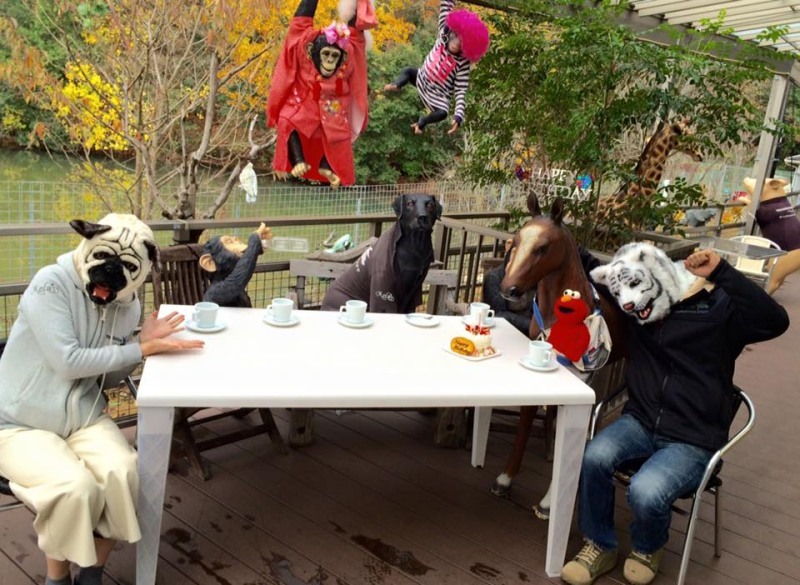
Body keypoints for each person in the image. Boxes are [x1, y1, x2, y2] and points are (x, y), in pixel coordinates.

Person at [560, 246, 789, 585]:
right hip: (640, 422)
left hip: (693, 438)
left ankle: (646, 548)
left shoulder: (722, 308)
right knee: (594, 457)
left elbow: (775, 321)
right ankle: (600, 544)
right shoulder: (641, 306)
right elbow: (600, 272)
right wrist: (558, 240)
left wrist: (722, 271)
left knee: (645, 490)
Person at [0, 214, 204, 585]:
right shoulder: (51, 285)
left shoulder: (128, 305)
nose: (111, 272)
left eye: (128, 266)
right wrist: (140, 349)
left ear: (144, 270)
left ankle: (92, 573)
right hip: (19, 421)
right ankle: (58, 578)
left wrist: (140, 341)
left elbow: (107, 378)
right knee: (73, 487)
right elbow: (68, 362)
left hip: (83, 415)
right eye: (103, 257)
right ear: (87, 243)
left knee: (124, 473)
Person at [383, 0, 489, 135]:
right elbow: (445, 8)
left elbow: (461, 90)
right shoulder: (442, 35)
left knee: (443, 113)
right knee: (408, 71)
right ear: (451, 32)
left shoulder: (463, 62)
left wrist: (458, 116)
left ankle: (422, 122)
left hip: (438, 95)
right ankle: (397, 84)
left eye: (461, 42)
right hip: (422, 78)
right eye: (455, 37)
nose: (456, 44)